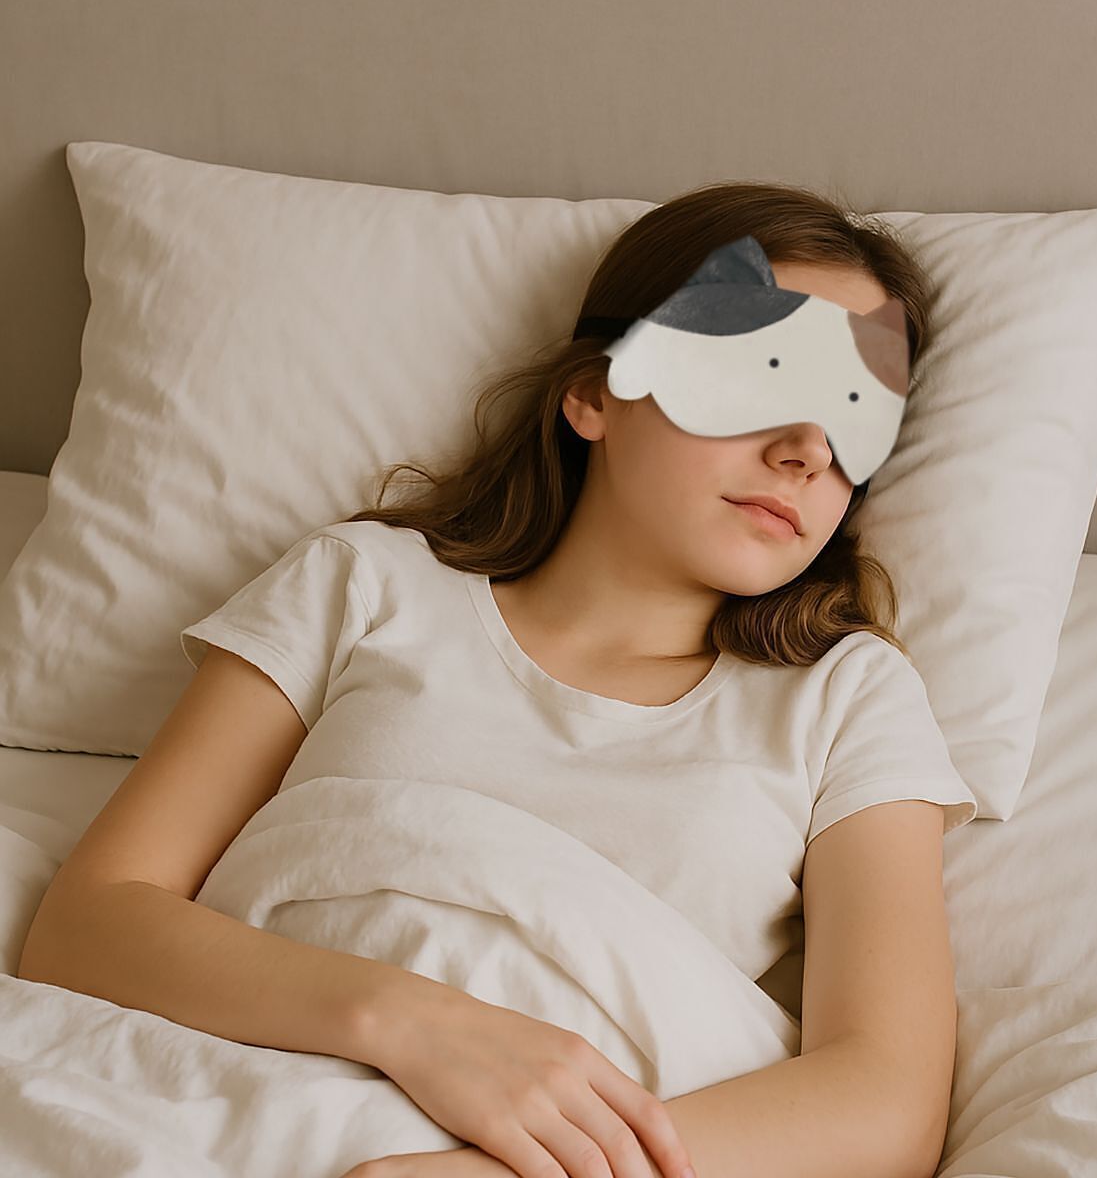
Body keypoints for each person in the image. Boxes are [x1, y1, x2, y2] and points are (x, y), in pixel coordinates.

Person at [20, 179, 976, 1178]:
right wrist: (414, 1026)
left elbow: (887, 1102)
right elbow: (87, 924)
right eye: (764, 371)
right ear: (595, 394)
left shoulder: (848, 697)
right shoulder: (361, 583)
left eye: (856, 418)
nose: (808, 452)